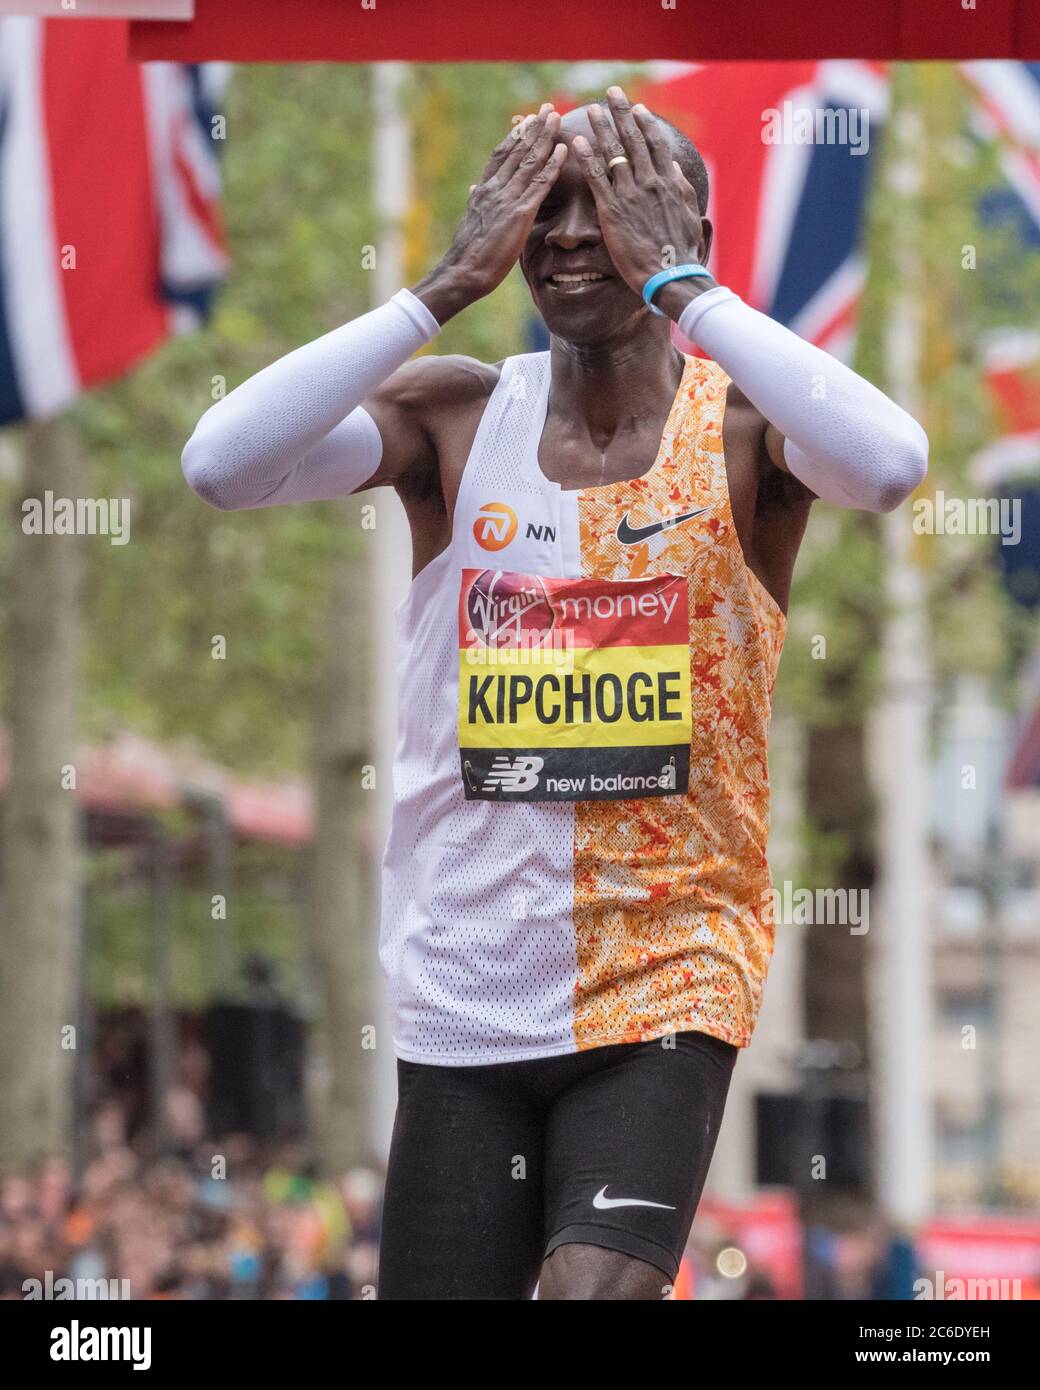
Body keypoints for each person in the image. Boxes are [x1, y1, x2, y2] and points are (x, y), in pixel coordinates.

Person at [182, 88, 927, 1300]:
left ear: (682, 225)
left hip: (666, 964)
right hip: (465, 981)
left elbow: (890, 462)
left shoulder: (743, 433)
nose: (572, 231)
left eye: (609, 203)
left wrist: (687, 291)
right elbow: (218, 464)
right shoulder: (456, 420)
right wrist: (434, 290)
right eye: (542, 206)